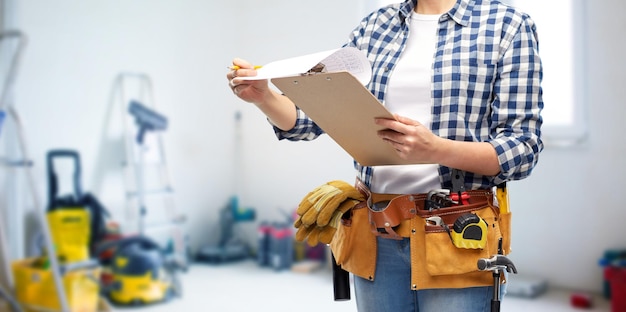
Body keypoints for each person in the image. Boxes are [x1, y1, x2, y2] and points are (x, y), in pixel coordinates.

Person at [226, 0, 543, 311]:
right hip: (377, 232)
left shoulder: (507, 25)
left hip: (456, 235)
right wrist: (264, 97)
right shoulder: (374, 27)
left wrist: (436, 149)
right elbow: (311, 120)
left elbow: (522, 149)